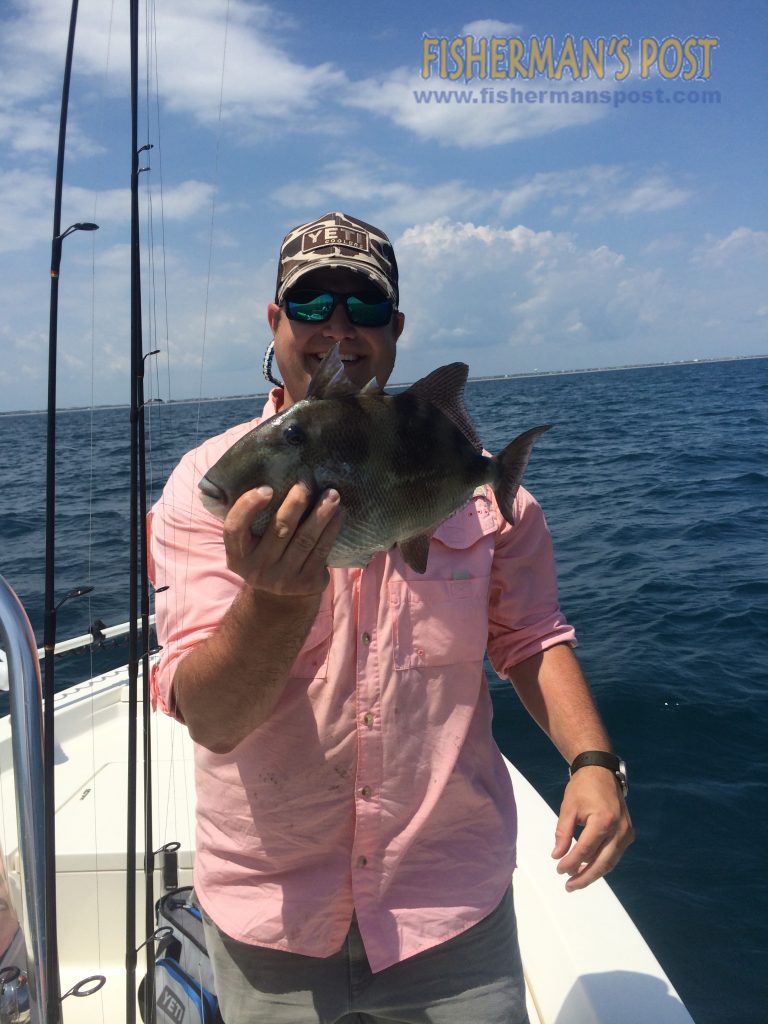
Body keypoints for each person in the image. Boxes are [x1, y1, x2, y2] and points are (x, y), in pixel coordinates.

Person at [150, 212, 634, 1024]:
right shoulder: (206, 490)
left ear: (394, 329)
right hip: (273, 921)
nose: (337, 327)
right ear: (274, 323)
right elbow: (213, 719)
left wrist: (593, 760)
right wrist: (275, 600)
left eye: (364, 307)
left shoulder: (484, 503)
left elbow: (531, 639)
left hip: (450, 913)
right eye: (311, 305)